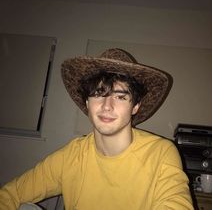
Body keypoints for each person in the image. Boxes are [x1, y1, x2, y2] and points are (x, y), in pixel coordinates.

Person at [0, 48, 193, 209]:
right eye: (98, 93)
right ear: (87, 102)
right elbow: (10, 194)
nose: (107, 106)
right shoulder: (71, 156)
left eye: (120, 96)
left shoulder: (161, 154)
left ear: (135, 106)